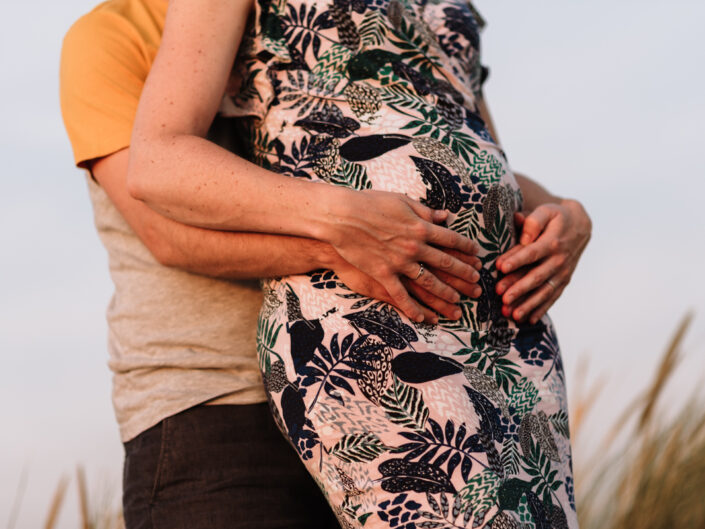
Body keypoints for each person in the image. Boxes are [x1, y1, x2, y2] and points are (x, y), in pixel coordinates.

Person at [126, 0, 591, 527]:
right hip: (371, 313)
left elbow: (461, 137)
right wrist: (343, 221)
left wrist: (564, 212)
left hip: (513, 331)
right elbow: (159, 161)